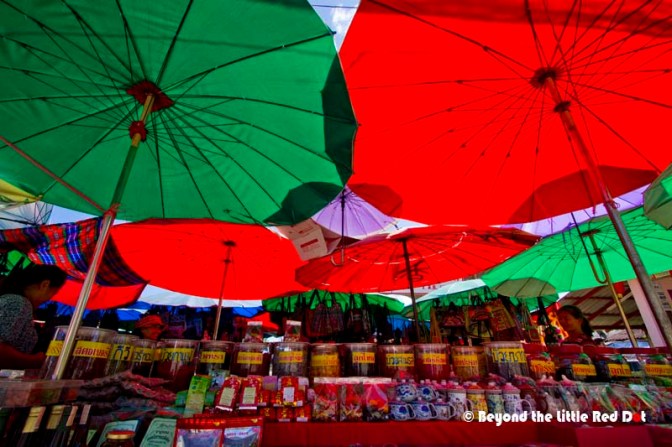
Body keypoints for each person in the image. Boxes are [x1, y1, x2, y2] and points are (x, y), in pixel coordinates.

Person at [0, 264, 67, 369]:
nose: (50, 299)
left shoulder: (12, 300)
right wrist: (35, 360)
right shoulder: (18, 303)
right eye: (53, 293)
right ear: (45, 285)